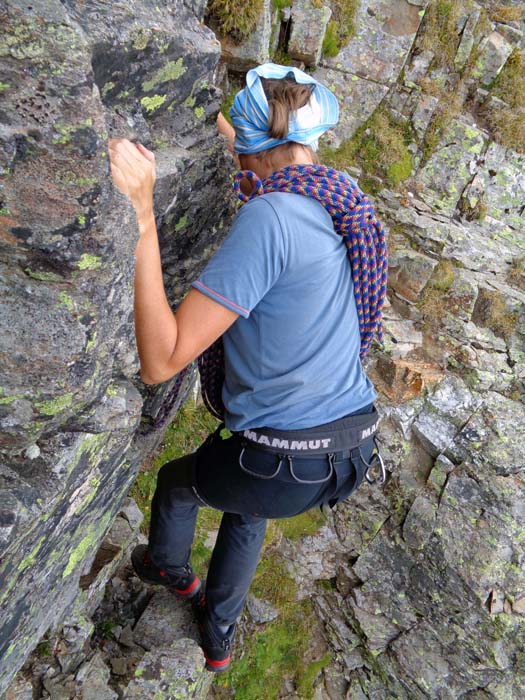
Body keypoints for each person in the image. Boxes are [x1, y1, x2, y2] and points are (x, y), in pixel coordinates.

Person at [108, 63, 387, 673]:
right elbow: (271, 159)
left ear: (256, 147)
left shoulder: (271, 217)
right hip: (348, 450)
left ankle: (169, 569)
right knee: (252, 506)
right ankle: (220, 636)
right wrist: (243, 143)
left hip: (279, 456)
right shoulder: (334, 200)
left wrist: (143, 212)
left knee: (182, 484)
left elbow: (162, 361)